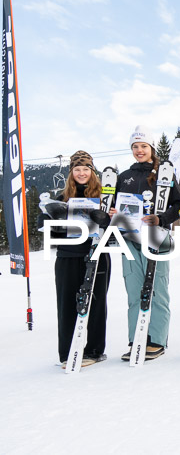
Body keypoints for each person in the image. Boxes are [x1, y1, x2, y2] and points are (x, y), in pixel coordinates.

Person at [112, 125, 180, 360]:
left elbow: (178, 205)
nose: (139, 150)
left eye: (143, 146)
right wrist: (113, 212)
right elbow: (113, 207)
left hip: (157, 240)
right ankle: (136, 339)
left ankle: (156, 340)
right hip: (130, 240)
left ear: (151, 148)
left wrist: (162, 218)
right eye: (135, 146)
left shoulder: (163, 173)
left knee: (157, 290)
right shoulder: (124, 177)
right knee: (134, 292)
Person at [39, 151, 111, 367]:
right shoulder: (61, 198)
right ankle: (67, 352)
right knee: (67, 303)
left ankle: (94, 350)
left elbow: (118, 228)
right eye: (77, 170)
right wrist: (46, 218)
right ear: (71, 173)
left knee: (96, 303)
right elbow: (47, 230)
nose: (81, 173)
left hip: (97, 254)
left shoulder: (103, 198)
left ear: (92, 171)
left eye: (86, 169)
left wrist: (108, 217)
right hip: (67, 256)